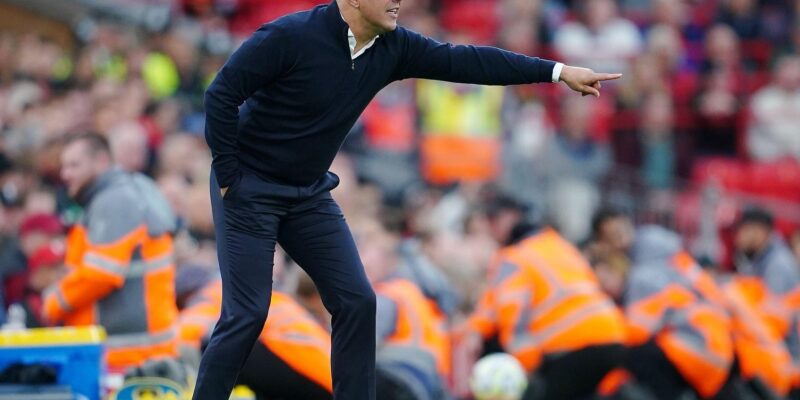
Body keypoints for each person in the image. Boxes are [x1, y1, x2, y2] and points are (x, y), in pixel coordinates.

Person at [196, 0, 622, 397]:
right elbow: (221, 94)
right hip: (250, 188)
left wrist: (557, 71)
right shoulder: (289, 36)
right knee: (248, 313)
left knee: (357, 302)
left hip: (307, 193)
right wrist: (230, 176)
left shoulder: (393, 46)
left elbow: (468, 61)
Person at [464, 193, 627, 400]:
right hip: (613, 335)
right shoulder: (558, 245)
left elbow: (513, 319)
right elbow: (490, 304)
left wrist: (527, 368)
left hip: (572, 344)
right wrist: (476, 328)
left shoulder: (513, 258)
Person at [42, 133, 179, 371]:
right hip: (140, 354)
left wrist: (54, 302)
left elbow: (100, 275)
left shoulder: (115, 200)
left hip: (129, 358)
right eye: (64, 166)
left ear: (102, 161)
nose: (65, 174)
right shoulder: (124, 192)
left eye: (74, 165)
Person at [354, 218, 450, 400]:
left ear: (386, 259)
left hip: (399, 377)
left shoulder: (386, 297)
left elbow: (361, 345)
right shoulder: (409, 290)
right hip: (428, 379)